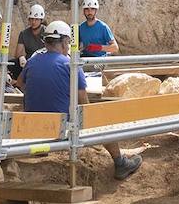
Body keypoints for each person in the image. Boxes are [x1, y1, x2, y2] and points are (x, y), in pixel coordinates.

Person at [18, 20, 142, 179]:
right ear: (64, 42)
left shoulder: (32, 61)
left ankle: (42, 149)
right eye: (68, 42)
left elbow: (20, 83)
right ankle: (120, 163)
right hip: (60, 129)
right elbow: (83, 102)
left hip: (34, 128)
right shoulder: (70, 65)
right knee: (101, 118)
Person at [10, 3, 47, 82]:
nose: (33, 22)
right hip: (29, 62)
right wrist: (21, 57)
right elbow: (18, 53)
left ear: (41, 20)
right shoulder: (24, 33)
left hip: (43, 62)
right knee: (12, 64)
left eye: (36, 19)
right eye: (31, 19)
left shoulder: (47, 32)